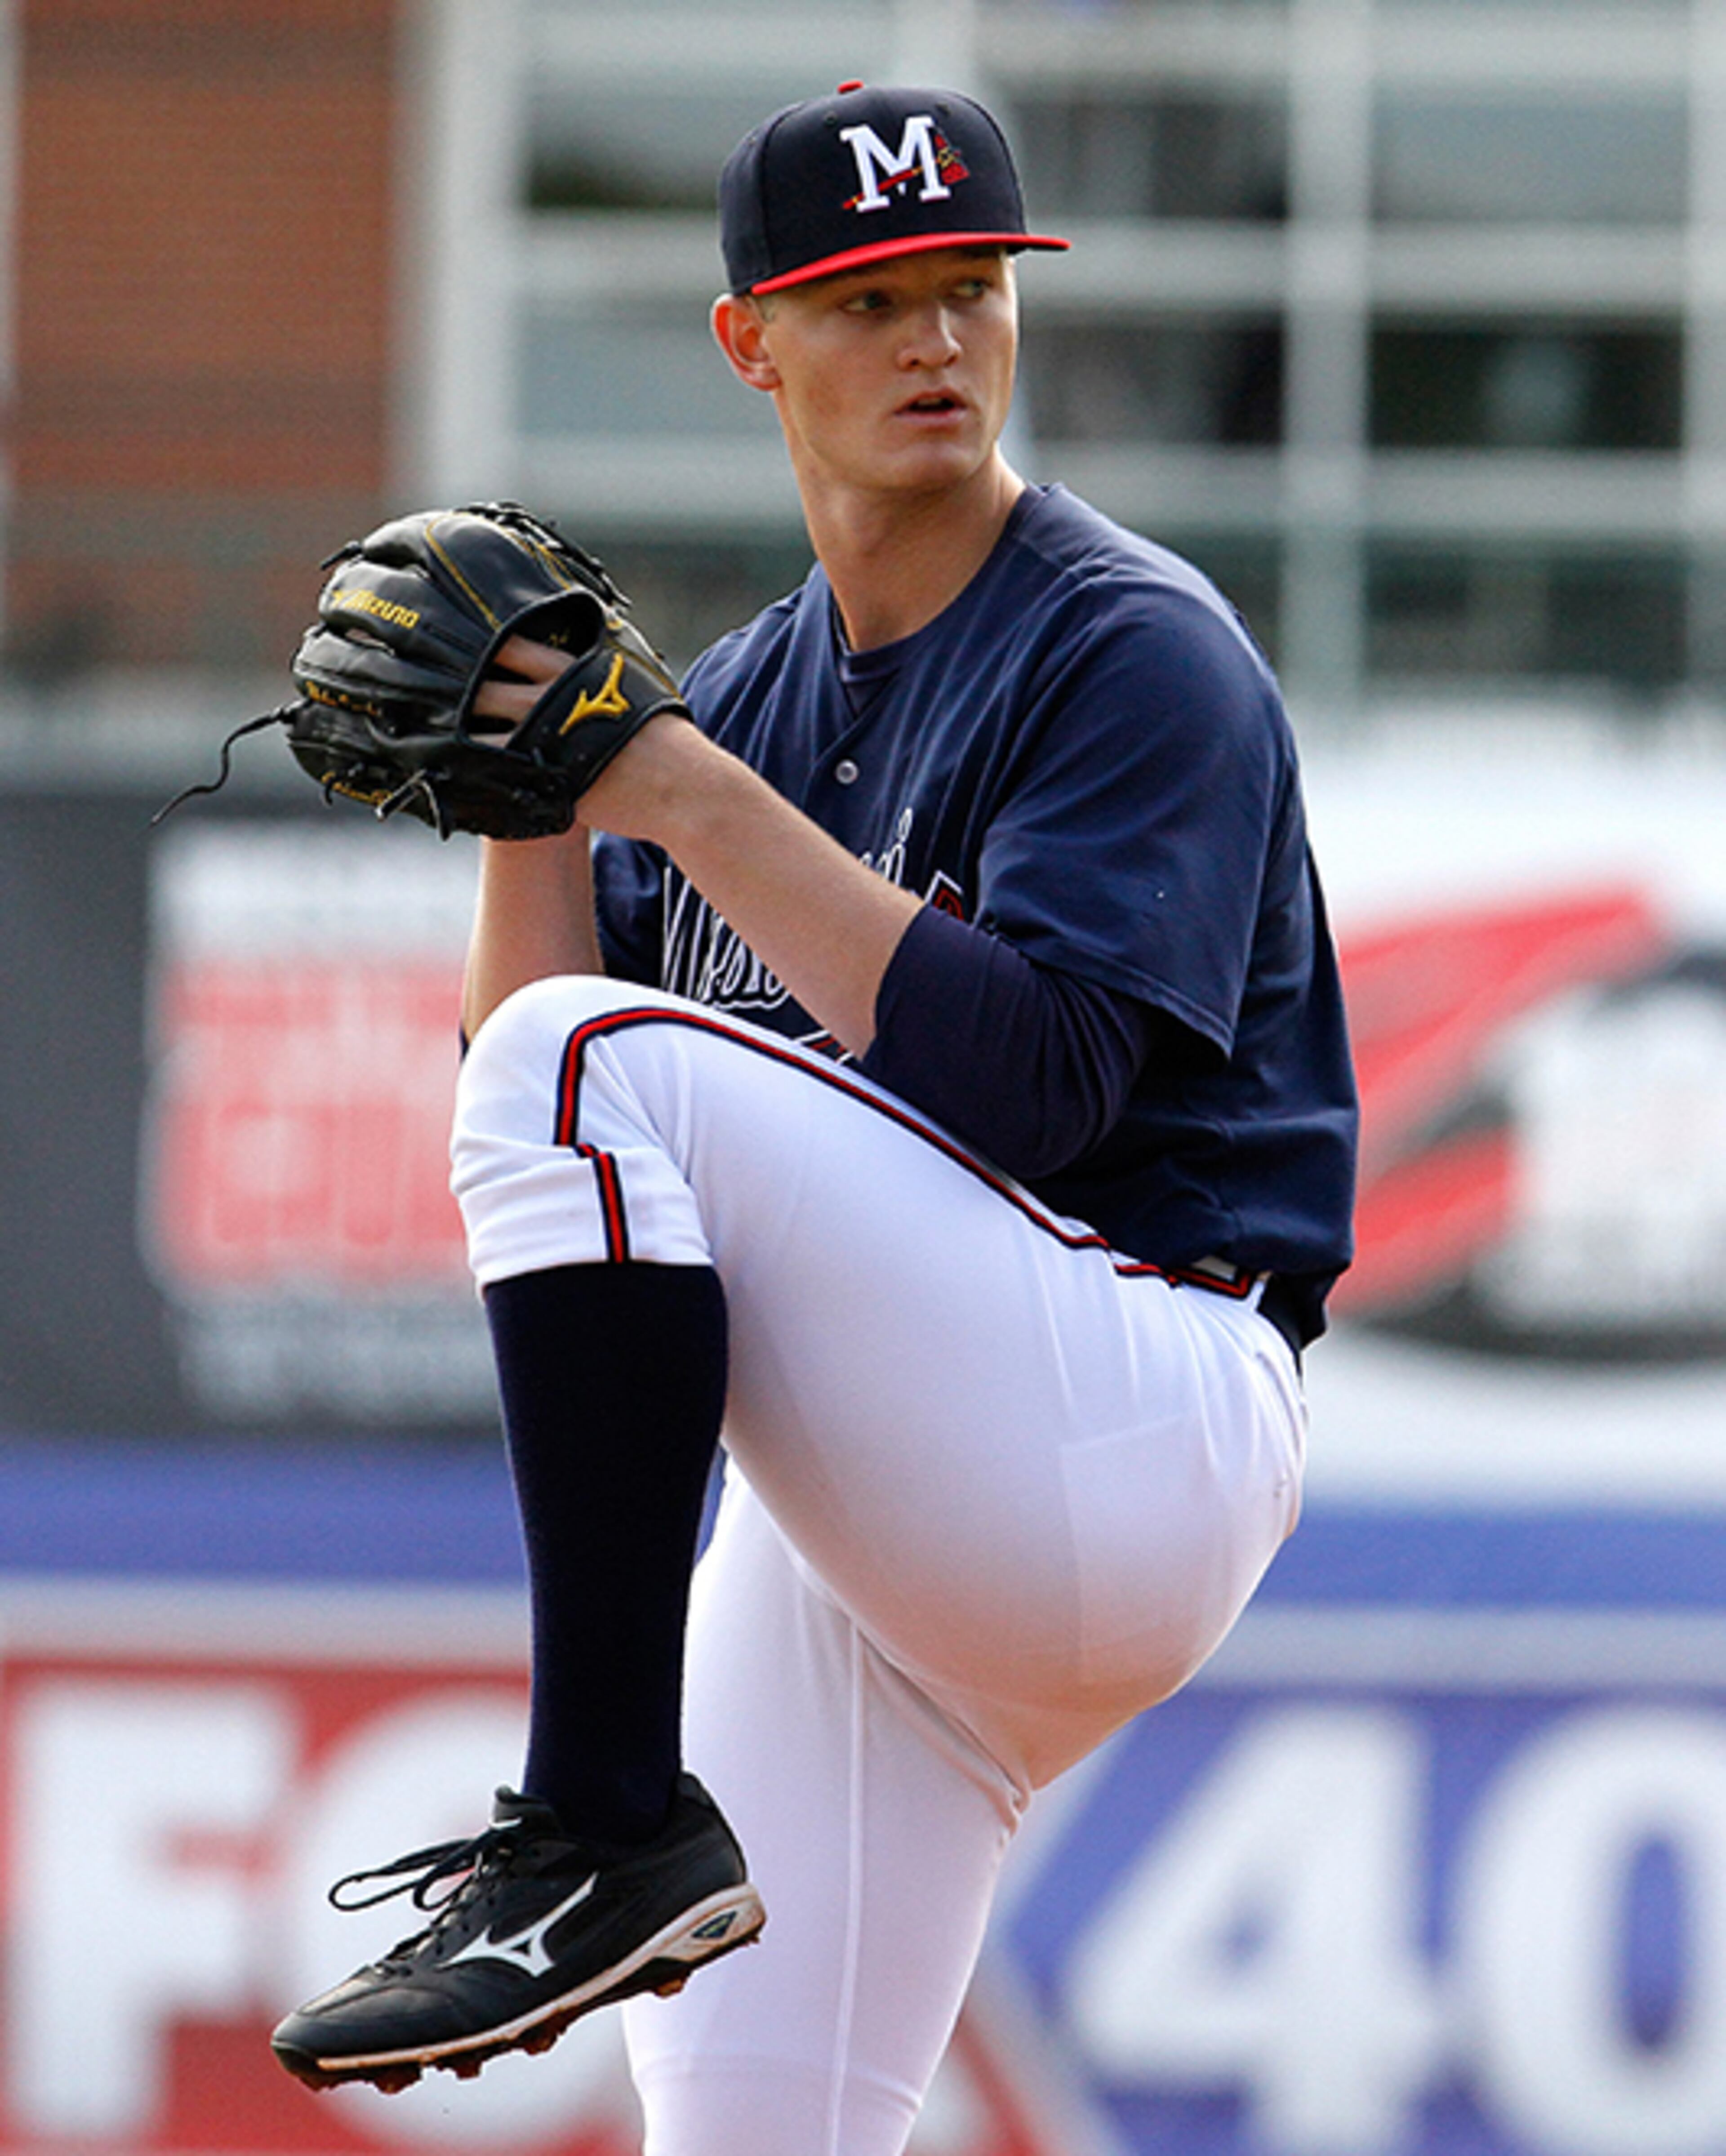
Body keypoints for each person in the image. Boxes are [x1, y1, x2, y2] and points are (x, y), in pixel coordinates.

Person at [270, 80, 1357, 2156]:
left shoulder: (1133, 648)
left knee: (588, 1071)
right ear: (749, 339)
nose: (935, 341)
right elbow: (533, 1083)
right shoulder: (762, 692)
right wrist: (538, 796)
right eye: (867, 302)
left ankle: (599, 1814)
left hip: (1135, 1407)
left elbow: (1042, 1086)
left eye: (969, 288)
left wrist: (664, 780)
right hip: (886, 1524)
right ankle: (621, 1824)